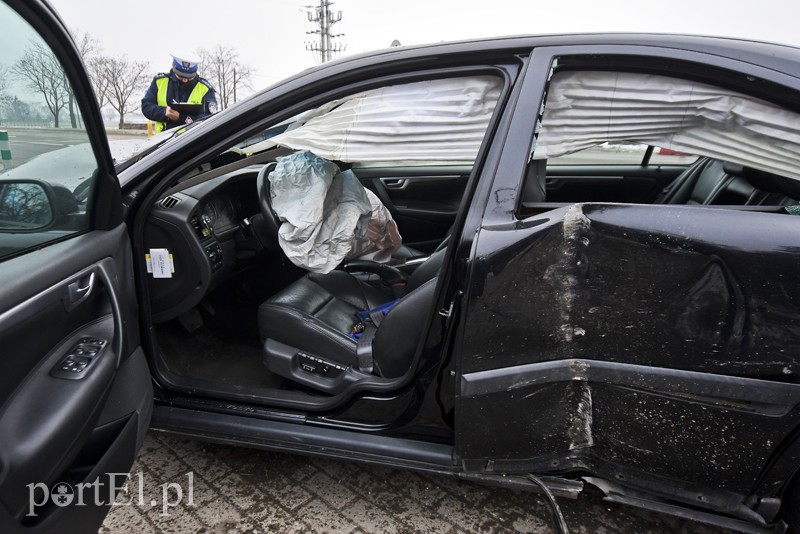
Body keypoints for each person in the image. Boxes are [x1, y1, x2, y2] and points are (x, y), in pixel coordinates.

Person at [141, 53, 217, 133]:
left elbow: (209, 119)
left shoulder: (205, 88)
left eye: (189, 76)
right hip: (162, 140)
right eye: (181, 75)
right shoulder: (159, 82)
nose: (185, 80)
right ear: (173, 67)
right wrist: (164, 112)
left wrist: (181, 118)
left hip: (192, 141)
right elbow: (146, 107)